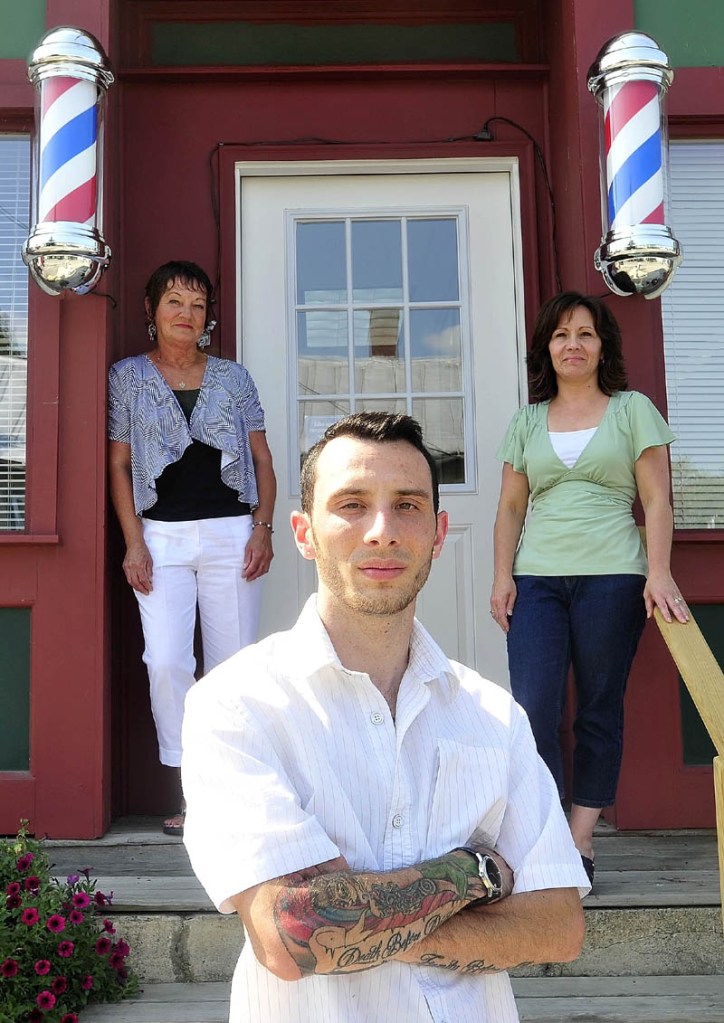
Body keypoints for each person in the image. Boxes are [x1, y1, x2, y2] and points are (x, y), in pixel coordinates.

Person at [182, 411, 588, 1023]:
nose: (382, 531)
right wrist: (475, 874)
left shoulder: (492, 715)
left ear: (438, 531)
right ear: (304, 532)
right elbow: (293, 938)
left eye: (407, 505)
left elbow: (558, 926)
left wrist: (358, 923)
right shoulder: (238, 705)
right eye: (351, 504)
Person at [490, 291, 688, 884]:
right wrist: (502, 576)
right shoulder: (527, 421)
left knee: (598, 710)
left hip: (613, 576)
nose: (571, 345)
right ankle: (546, 832)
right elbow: (509, 507)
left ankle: (579, 841)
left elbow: (656, 499)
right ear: (545, 350)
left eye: (584, 334)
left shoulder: (632, 411)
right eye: (559, 336)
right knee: (534, 708)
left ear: (603, 346)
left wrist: (659, 570)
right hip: (538, 581)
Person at [108, 260, 276, 836]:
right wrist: (134, 543)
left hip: (233, 534)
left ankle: (230, 795)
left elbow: (261, 460)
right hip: (162, 538)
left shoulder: (233, 377)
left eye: (198, 305)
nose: (187, 314)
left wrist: (264, 527)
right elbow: (121, 464)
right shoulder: (128, 377)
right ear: (152, 310)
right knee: (168, 662)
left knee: (233, 668)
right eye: (175, 302)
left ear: (208, 318)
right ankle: (190, 790)